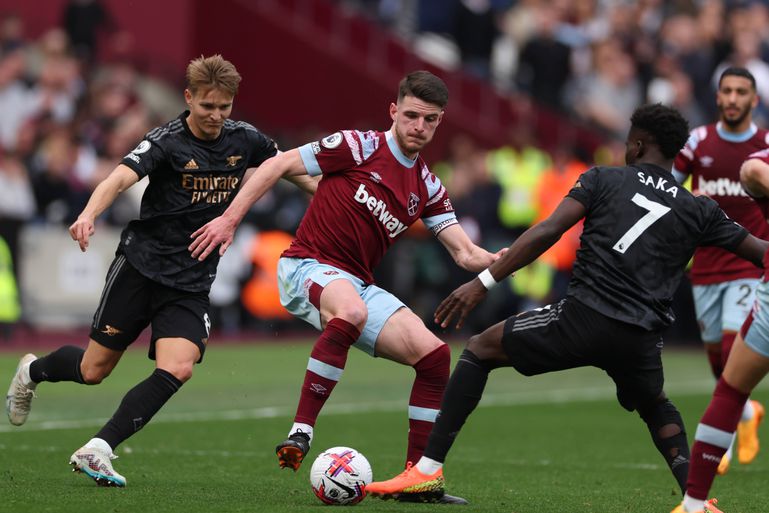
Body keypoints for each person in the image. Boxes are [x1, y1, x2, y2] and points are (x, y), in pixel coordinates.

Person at [364, 103, 769, 507]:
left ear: (639, 144)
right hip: (640, 337)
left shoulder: (603, 178)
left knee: (479, 349)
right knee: (655, 404)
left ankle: (427, 469)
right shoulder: (698, 208)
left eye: (629, 143)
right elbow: (760, 252)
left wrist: (483, 281)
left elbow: (548, 230)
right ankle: (698, 502)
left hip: (583, 318)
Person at [188, 70, 502, 505]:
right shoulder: (358, 145)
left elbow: (465, 254)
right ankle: (301, 431)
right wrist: (228, 220)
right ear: (394, 110)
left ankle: (419, 479)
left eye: (430, 120)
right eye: (411, 115)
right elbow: (278, 164)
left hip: (356, 282)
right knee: (350, 312)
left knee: (434, 357)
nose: (419, 127)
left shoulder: (427, 185)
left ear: (439, 121)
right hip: (307, 264)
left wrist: (500, 259)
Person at [4, 54, 316, 487]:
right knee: (94, 370)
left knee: (180, 366)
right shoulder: (166, 141)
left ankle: (99, 448)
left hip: (191, 281)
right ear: (188, 98)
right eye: (207, 106)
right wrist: (89, 213)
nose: (215, 116)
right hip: (141, 267)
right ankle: (32, 372)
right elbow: (118, 178)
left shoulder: (245, 140)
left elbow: (288, 169)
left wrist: (332, 198)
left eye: (224, 107)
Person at [672, 66, 768, 474]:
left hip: (750, 263)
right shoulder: (697, 142)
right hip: (707, 264)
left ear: (754, 99)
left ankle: (718, 438)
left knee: (733, 348)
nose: (732, 98)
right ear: (717, 97)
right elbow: (670, 186)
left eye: (740, 92)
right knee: (717, 358)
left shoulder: (765, 144)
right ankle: (747, 412)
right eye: (726, 91)